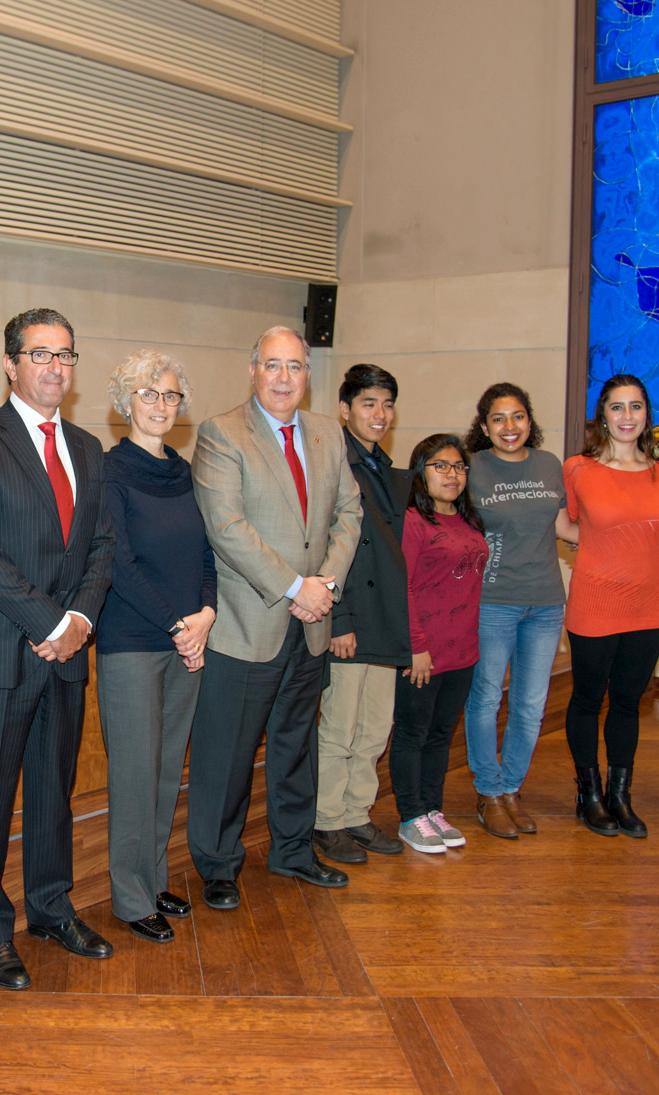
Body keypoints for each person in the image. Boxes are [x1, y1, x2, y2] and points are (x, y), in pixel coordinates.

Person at [0, 308, 116, 990]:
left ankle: (50, 906)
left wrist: (79, 619)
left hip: (68, 652)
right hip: (0, 650)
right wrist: (53, 623)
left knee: (53, 792)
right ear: (10, 363)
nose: (55, 367)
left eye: (66, 355)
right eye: (41, 354)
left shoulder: (86, 447)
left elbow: (101, 546)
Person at [188, 325, 362, 909]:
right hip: (248, 623)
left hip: (311, 623)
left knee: (296, 746)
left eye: (295, 367)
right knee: (227, 755)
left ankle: (292, 850)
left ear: (309, 375)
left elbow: (348, 512)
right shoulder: (221, 433)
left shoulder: (328, 434)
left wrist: (325, 585)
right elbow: (227, 527)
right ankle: (217, 862)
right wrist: (294, 586)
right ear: (252, 369)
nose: (284, 378)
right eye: (272, 365)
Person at [94, 349, 215, 942]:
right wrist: (178, 625)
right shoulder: (109, 472)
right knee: (135, 774)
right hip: (134, 642)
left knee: (167, 770)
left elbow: (207, 553)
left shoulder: (184, 471)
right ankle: (128, 896)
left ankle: (153, 876)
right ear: (125, 404)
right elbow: (119, 564)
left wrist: (207, 616)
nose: (162, 406)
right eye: (149, 394)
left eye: (170, 395)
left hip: (188, 641)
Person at [564, 374, 659, 839]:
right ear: (603, 415)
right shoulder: (578, 468)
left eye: (635, 407)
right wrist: (599, 547)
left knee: (626, 703)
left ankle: (620, 795)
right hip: (594, 605)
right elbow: (566, 522)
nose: (626, 416)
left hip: (646, 608)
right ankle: (589, 794)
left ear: (646, 415)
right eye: (617, 408)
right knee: (586, 699)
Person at [462, 383, 575, 840]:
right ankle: (488, 792)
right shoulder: (471, 467)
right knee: (487, 698)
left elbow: (565, 527)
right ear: (484, 425)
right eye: (498, 419)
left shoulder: (550, 465)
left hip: (547, 602)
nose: (510, 427)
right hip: (493, 602)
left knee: (530, 705)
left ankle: (511, 789)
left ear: (530, 420)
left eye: (518, 417)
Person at [313, 363, 409, 865]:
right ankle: (328, 820)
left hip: (386, 618)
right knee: (339, 729)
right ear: (345, 409)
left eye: (387, 404)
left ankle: (356, 813)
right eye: (369, 403)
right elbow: (329, 546)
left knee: (374, 728)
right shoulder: (333, 462)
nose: (380, 414)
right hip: (350, 618)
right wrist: (341, 619)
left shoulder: (386, 467)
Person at [391, 434, 489, 854]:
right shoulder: (413, 521)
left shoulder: (468, 520)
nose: (452, 474)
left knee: (440, 736)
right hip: (423, 652)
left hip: (463, 650)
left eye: (459, 467)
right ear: (421, 472)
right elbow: (404, 587)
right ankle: (411, 816)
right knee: (412, 734)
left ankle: (433, 809)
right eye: (441, 466)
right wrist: (416, 645)